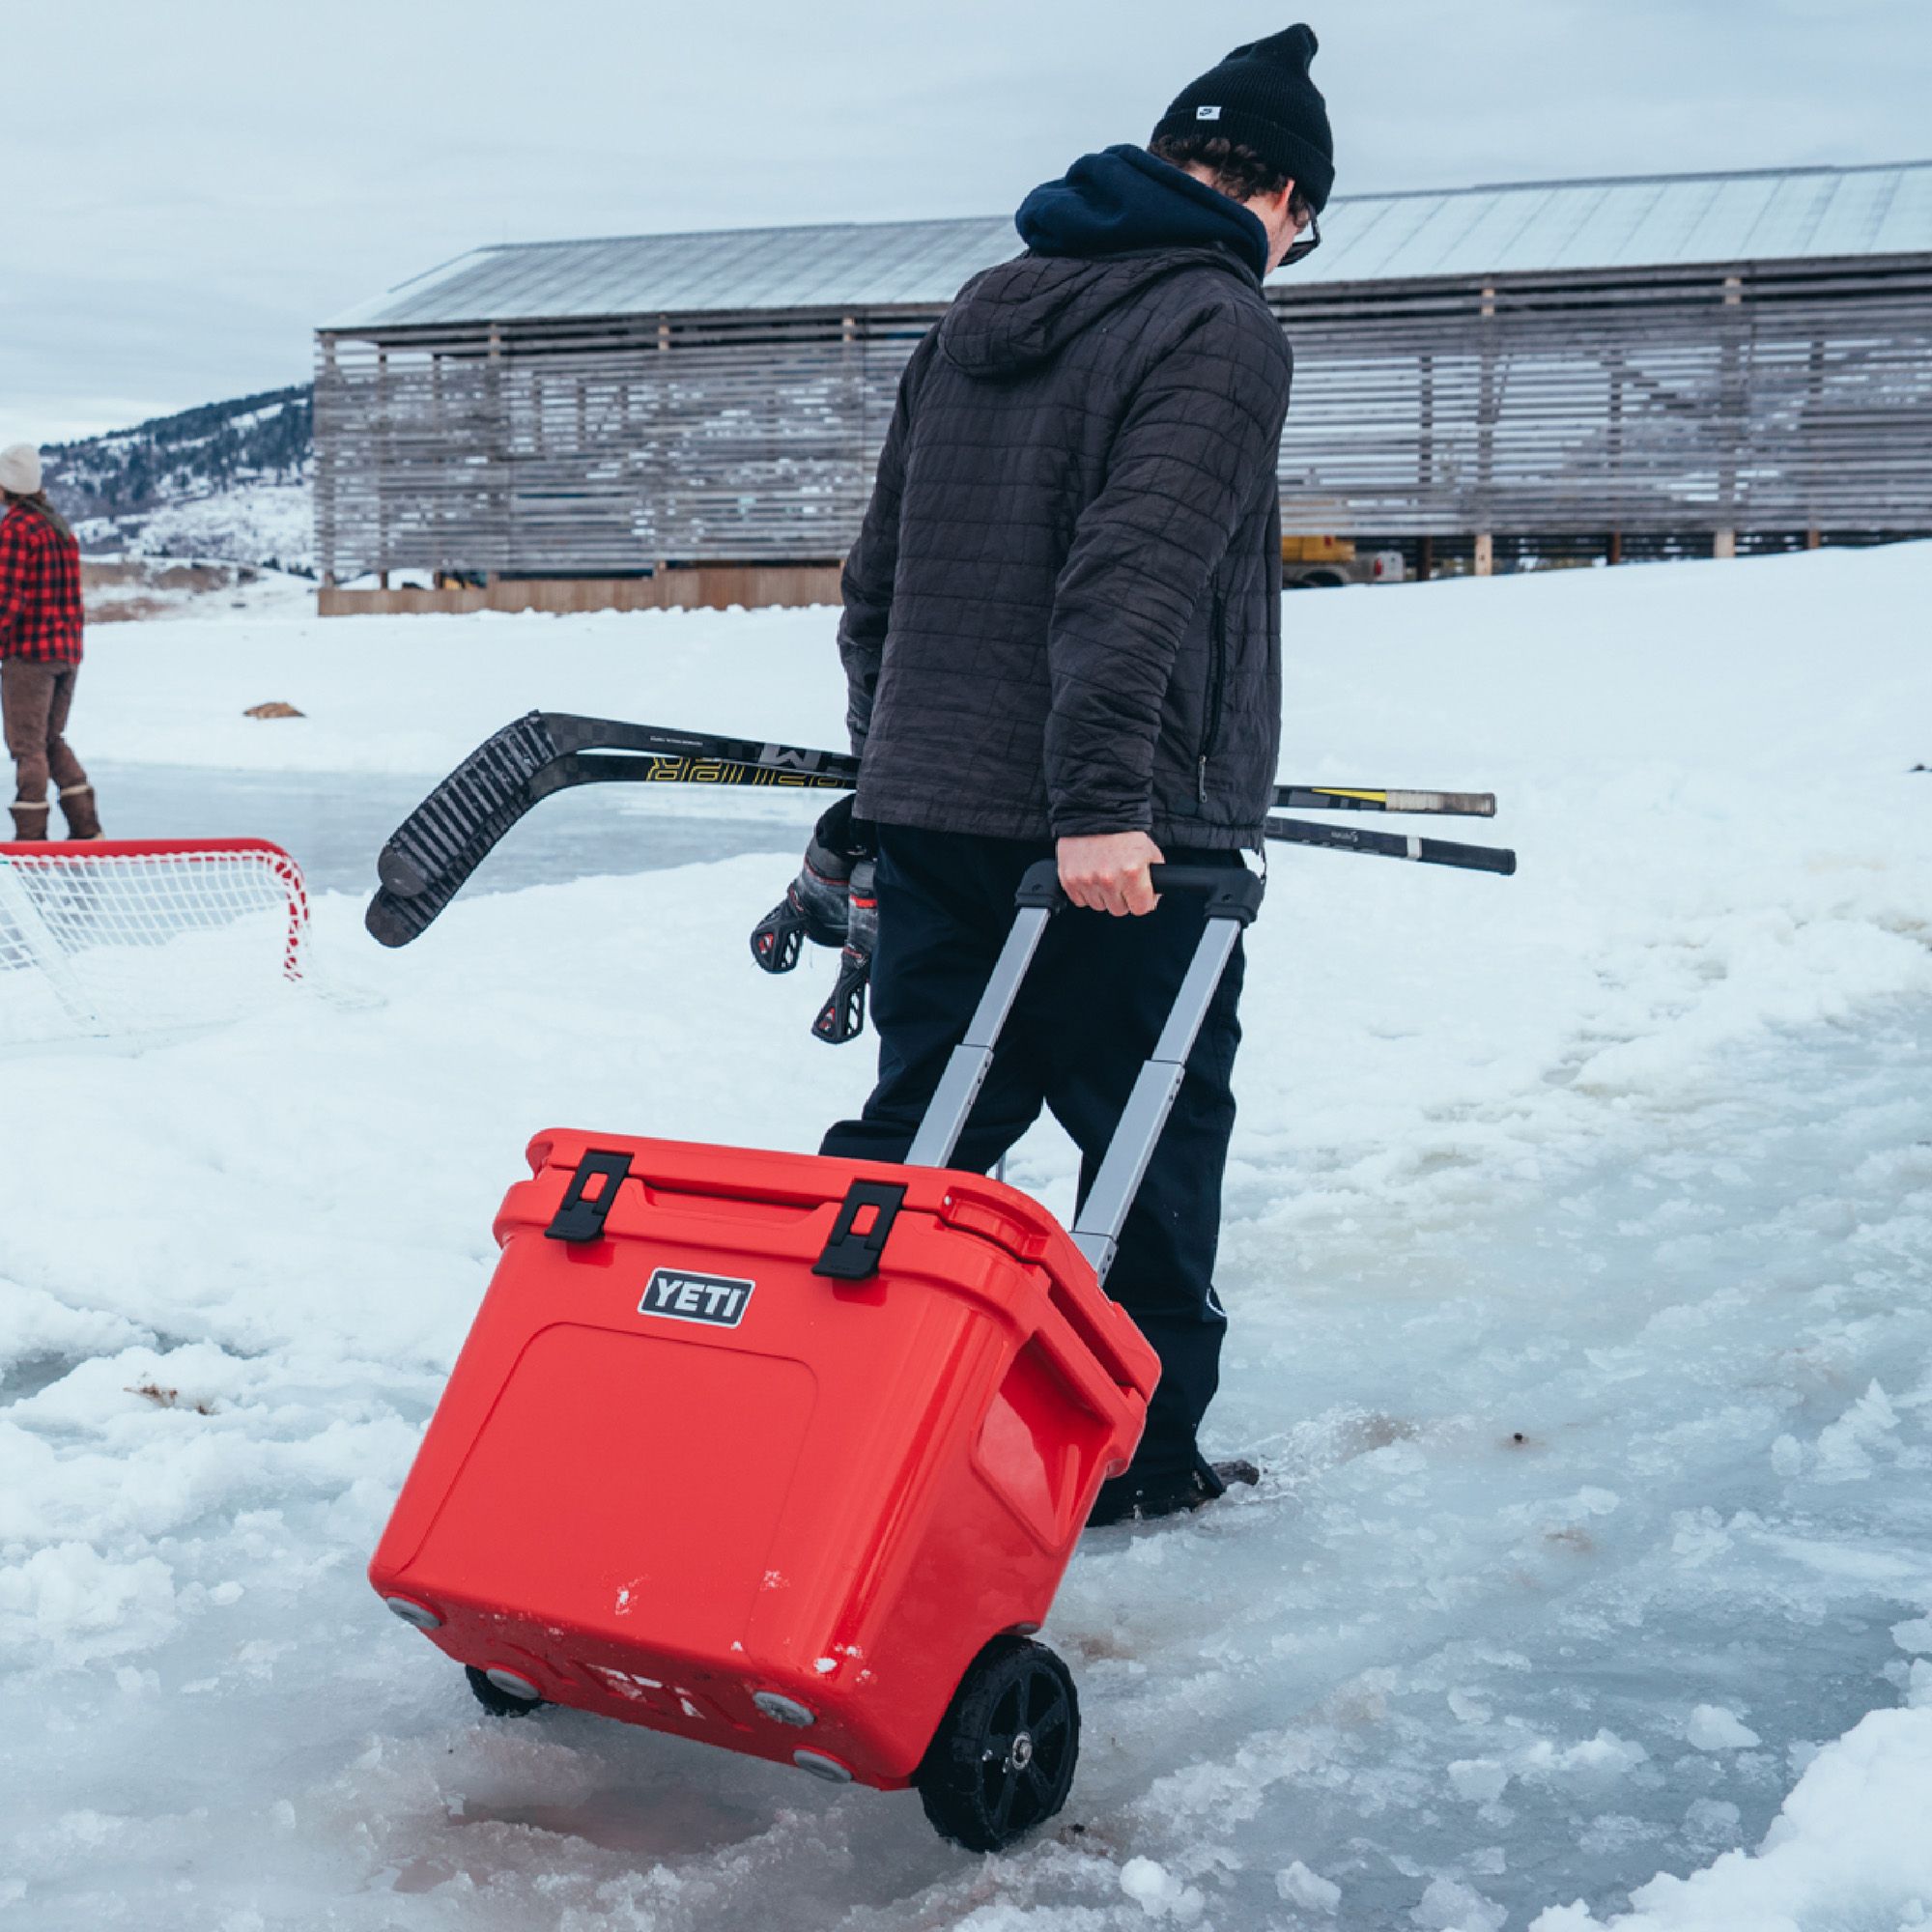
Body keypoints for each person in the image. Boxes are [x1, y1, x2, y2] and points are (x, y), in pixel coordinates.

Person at [818, 28, 1334, 1523]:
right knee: (1152, 1137)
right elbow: (1134, 578)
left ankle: (827, 1415)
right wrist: (1107, 805)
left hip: (938, 810)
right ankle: (1141, 1462)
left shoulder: (988, 305)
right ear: (1284, 198)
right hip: (1121, 832)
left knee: (926, 1129)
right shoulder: (1221, 323)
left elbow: (878, 580)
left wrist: (893, 766)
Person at [0, 443, 100, 841]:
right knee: (49, 739)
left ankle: (31, 841)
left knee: (27, 746)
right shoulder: (59, 527)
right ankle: (87, 829)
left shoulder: (16, 529)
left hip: (30, 657)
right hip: (66, 653)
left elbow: (8, 600)